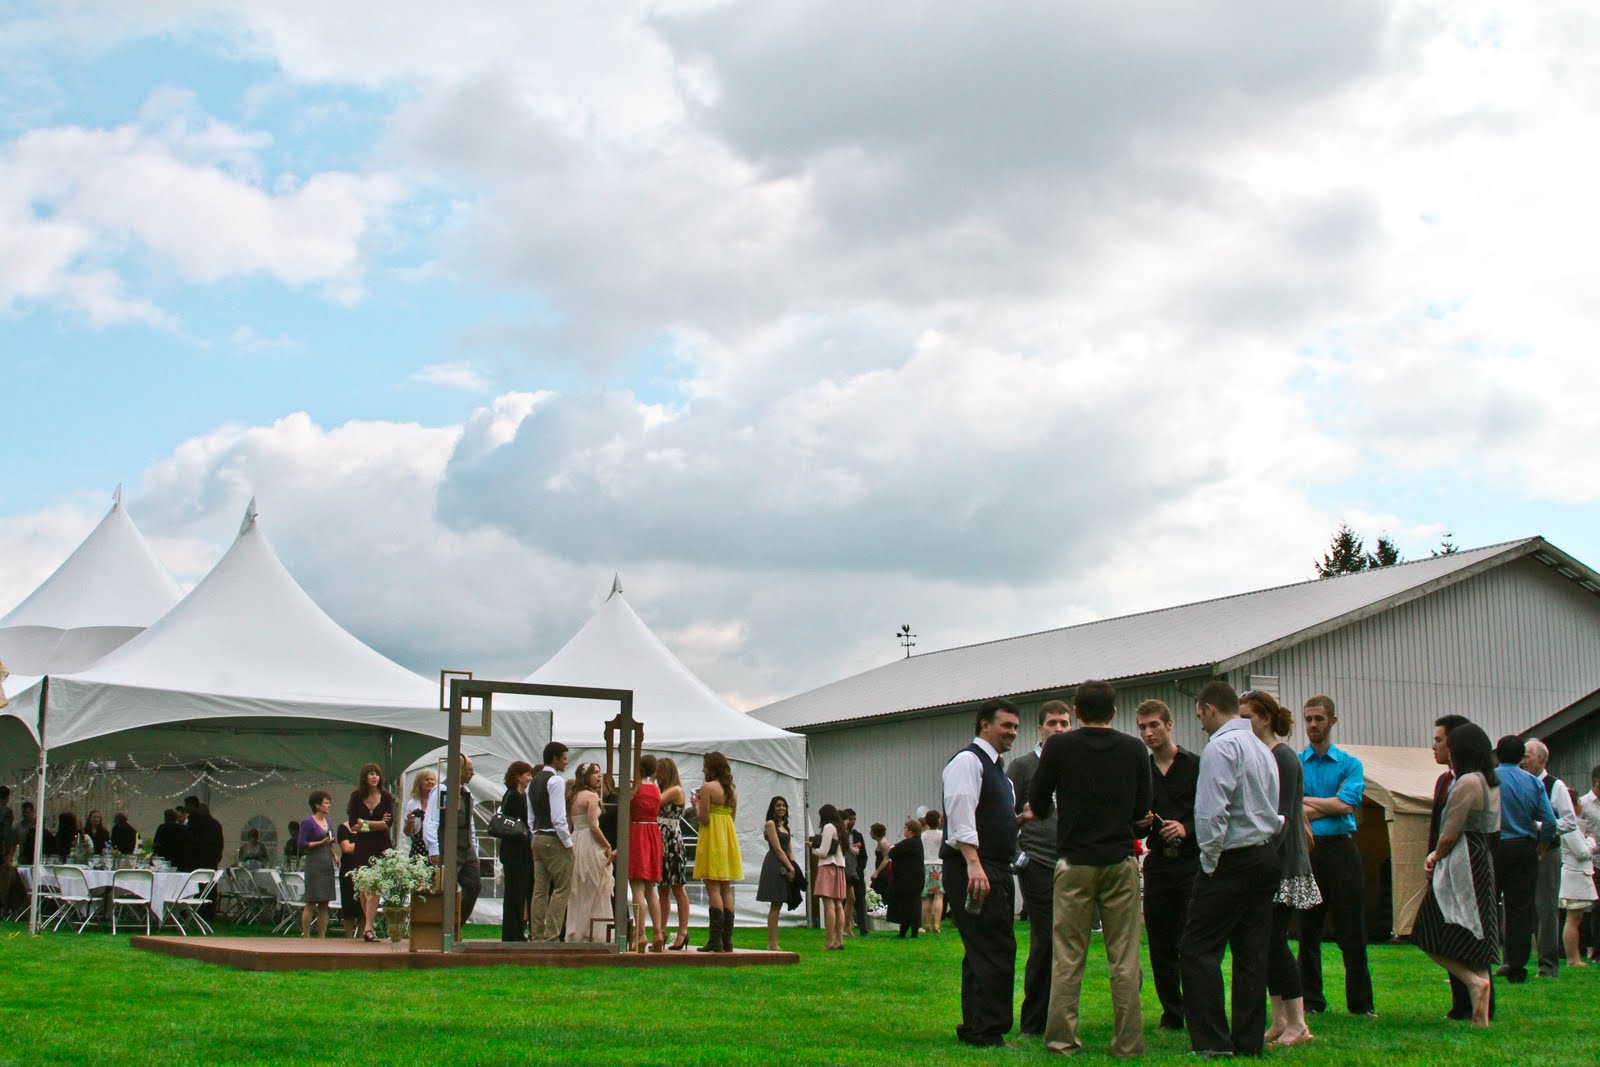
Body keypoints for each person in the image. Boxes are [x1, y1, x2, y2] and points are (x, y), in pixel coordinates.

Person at [1029, 680, 1149, 1058]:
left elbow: (1038, 801)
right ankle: (1128, 1043)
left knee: (1067, 956)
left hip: (1074, 861)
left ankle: (1061, 1040)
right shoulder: (1134, 748)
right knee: (1124, 957)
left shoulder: (1059, 746)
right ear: (1114, 711)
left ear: (1076, 712)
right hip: (1119, 859)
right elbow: (1142, 808)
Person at [1180, 680, 1283, 1058]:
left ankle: (1212, 1042)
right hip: (1264, 853)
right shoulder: (1261, 748)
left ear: (1210, 709)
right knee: (1251, 953)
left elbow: (1211, 812)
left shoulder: (1220, 747)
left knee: (1197, 949)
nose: (1201, 723)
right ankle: (1248, 1042)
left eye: (1200, 715)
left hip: (1232, 856)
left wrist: (1209, 861)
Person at [942, 698, 1022, 1048]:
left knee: (986, 948)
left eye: (1015, 727)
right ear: (984, 724)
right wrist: (974, 864)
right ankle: (987, 1030)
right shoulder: (968, 761)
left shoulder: (1000, 774)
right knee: (992, 948)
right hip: (975, 867)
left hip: (995, 867)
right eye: (1006, 725)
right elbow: (960, 815)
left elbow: (994, 818)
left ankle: (977, 1026)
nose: (1012, 732)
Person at [1242, 689, 1319, 1049]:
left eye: (1248, 717)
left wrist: (1261, 858)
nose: (1243, 724)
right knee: (1266, 941)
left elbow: (1283, 817)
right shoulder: (1261, 755)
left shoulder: (1283, 757)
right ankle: (1279, 1019)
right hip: (1269, 860)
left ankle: (1298, 1022)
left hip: (1282, 864)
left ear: (1266, 718)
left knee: (1275, 941)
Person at [1413, 723, 1502, 1027]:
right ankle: (1481, 1016)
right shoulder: (1491, 782)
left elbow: (1450, 832)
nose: (1444, 749)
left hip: (1463, 859)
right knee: (1477, 932)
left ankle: (1474, 982)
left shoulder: (1466, 782)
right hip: (1482, 855)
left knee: (1426, 930)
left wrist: (1435, 856)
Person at [1297, 694, 1376, 1017]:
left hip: (1342, 850)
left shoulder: (1349, 764)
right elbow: (1292, 807)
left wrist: (1309, 804)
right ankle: (1311, 1001)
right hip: (1309, 850)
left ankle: (1361, 1004)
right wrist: (1329, 804)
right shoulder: (1296, 763)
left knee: (1352, 929)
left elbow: (1347, 805)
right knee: (1308, 929)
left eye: (1319, 718)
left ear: (1332, 721)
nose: (1313, 725)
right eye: (1308, 719)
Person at [1135, 698, 1201, 1033]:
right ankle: (1172, 1013)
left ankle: (1198, 1007)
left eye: (1154, 725)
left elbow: (1213, 811)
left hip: (1191, 863)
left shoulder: (1195, 765)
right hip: (1158, 863)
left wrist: (1187, 828)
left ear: (1169, 725)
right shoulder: (1141, 771)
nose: (1148, 733)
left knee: (1191, 940)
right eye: (1143, 727)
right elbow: (1131, 826)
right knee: (1160, 943)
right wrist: (1140, 823)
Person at [1007, 698, 1070, 1037]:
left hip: (1072, 864)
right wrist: (1020, 857)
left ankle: (1062, 1018)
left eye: (1064, 723)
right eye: (1053, 723)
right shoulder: (1022, 767)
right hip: (1038, 863)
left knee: (1068, 944)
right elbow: (1005, 816)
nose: (1059, 729)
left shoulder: (1076, 765)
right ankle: (1033, 1022)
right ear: (1040, 728)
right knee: (1044, 941)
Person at [1492, 734, 1559, 983]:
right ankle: (1516, 966)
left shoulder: (1488, 779)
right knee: (1520, 909)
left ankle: (1485, 960)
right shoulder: (1533, 782)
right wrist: (1541, 848)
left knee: (1488, 906)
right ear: (1521, 757)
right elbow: (1550, 822)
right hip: (1523, 848)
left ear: (1497, 754)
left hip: (1494, 845)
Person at [1521, 738, 1578, 978]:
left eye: (1527, 756)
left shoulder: (1555, 786)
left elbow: (1569, 822)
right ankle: (1515, 961)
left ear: (1542, 759)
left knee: (1546, 907)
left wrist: (1539, 826)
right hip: (1522, 850)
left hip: (1547, 851)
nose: (1523, 761)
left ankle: (1548, 965)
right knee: (1521, 906)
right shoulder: (1520, 783)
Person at [423, 754, 482, 932]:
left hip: (466, 848)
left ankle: (455, 925)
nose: (473, 774)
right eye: (469, 770)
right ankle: (438, 930)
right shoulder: (442, 790)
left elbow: (470, 823)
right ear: (459, 770)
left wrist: (474, 849)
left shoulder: (467, 793)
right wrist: (433, 849)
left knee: (474, 885)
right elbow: (431, 820)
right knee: (443, 889)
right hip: (447, 848)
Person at [692, 750, 743, 953]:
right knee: (725, 888)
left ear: (711, 767)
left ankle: (715, 940)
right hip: (727, 837)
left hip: (712, 836)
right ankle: (727, 939)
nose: (703, 770)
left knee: (712, 887)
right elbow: (733, 817)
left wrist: (696, 805)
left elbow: (704, 818)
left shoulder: (708, 788)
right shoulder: (732, 790)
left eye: (705, 766)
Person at [565, 762, 616, 943]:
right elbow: (594, 826)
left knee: (579, 888)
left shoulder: (573, 795)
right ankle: (594, 933)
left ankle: (577, 930)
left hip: (576, 840)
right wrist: (607, 845)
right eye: (595, 773)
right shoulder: (591, 796)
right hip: (589, 842)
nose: (599, 776)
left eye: (599, 772)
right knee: (595, 886)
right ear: (586, 776)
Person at [528, 742, 574, 943]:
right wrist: (568, 843)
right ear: (554, 759)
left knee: (539, 890)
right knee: (562, 888)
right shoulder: (556, 781)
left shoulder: (533, 782)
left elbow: (530, 817)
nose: (566, 762)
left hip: (538, 837)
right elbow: (558, 818)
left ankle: (537, 935)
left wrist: (535, 834)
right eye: (564, 758)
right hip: (554, 838)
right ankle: (551, 936)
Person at [347, 762, 395, 942]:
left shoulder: (387, 797)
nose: (374, 777)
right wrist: (376, 823)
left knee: (375, 886)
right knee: (363, 887)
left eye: (377, 774)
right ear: (364, 777)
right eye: (371, 774)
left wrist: (365, 823)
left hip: (381, 845)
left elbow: (387, 825)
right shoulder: (356, 797)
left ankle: (368, 928)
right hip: (363, 846)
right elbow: (353, 825)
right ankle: (368, 926)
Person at [628, 754, 666, 951]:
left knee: (637, 888)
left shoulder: (633, 787)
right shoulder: (655, 789)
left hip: (637, 832)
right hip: (653, 833)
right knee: (651, 889)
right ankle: (658, 933)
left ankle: (641, 934)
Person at [654, 757, 691, 950]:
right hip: (660, 839)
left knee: (677, 887)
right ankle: (661, 930)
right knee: (662, 889)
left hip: (672, 840)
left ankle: (683, 931)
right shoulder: (661, 789)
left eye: (659, 772)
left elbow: (656, 802)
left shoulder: (675, 790)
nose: (656, 776)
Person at [756, 796, 798, 950]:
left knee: (779, 903)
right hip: (774, 864)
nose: (782, 808)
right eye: (778, 805)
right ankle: (772, 942)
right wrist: (790, 867)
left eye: (784, 806)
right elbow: (778, 849)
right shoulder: (770, 824)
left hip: (785, 864)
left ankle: (774, 941)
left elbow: (790, 849)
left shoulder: (785, 826)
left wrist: (793, 866)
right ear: (773, 808)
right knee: (775, 903)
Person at [499, 760, 535, 942]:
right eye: (528, 775)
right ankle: (514, 933)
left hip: (513, 851)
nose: (530, 778)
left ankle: (513, 931)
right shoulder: (515, 796)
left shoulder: (512, 795)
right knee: (516, 893)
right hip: (516, 852)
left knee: (515, 892)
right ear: (519, 777)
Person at [1559, 795, 1597, 967]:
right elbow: (1581, 852)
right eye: (1578, 802)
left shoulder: (1575, 825)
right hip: (1574, 876)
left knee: (1577, 917)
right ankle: (1572, 958)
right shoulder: (1569, 827)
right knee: (1572, 918)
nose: (1581, 805)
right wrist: (1591, 841)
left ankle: (1575, 956)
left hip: (1579, 875)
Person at [297, 791, 339, 938]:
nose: (329, 805)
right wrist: (319, 843)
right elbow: (301, 843)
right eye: (326, 803)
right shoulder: (308, 822)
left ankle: (321, 936)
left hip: (326, 863)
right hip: (314, 863)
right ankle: (306, 935)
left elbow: (330, 842)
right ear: (317, 805)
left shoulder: (330, 822)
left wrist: (334, 855)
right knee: (311, 901)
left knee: (324, 903)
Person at [812, 803, 849, 951]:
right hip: (840, 868)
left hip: (828, 867)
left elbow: (823, 852)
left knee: (829, 906)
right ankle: (839, 941)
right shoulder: (841, 829)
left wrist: (813, 848)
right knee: (839, 905)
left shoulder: (828, 827)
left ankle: (828, 942)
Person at [880, 818, 925, 938]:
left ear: (910, 831)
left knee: (905, 906)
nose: (904, 830)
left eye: (905, 828)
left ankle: (903, 932)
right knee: (914, 905)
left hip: (907, 880)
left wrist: (891, 848)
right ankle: (913, 932)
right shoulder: (917, 842)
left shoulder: (909, 843)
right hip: (916, 880)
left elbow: (892, 853)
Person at [1580, 766, 1600, 962]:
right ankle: (1594, 949)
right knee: (1594, 908)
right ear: (1596, 781)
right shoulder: (1584, 803)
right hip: (1592, 862)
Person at [842, 808, 869, 938]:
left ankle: (863, 928)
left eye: (854, 819)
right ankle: (841, 927)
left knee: (859, 898)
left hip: (856, 871)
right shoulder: (839, 834)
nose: (852, 821)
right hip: (843, 870)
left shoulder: (858, 835)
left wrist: (859, 869)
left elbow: (863, 855)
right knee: (843, 899)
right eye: (850, 819)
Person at [920, 809, 946, 934]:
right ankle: (936, 924)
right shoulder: (942, 835)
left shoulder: (923, 835)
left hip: (925, 865)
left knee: (926, 897)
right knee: (938, 896)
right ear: (938, 821)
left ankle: (926, 924)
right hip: (938, 866)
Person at [403, 769, 436, 860]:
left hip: (434, 849)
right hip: (417, 849)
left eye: (432, 779)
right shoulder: (412, 803)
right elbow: (407, 832)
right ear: (419, 783)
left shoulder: (438, 802)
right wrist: (409, 822)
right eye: (427, 779)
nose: (430, 782)